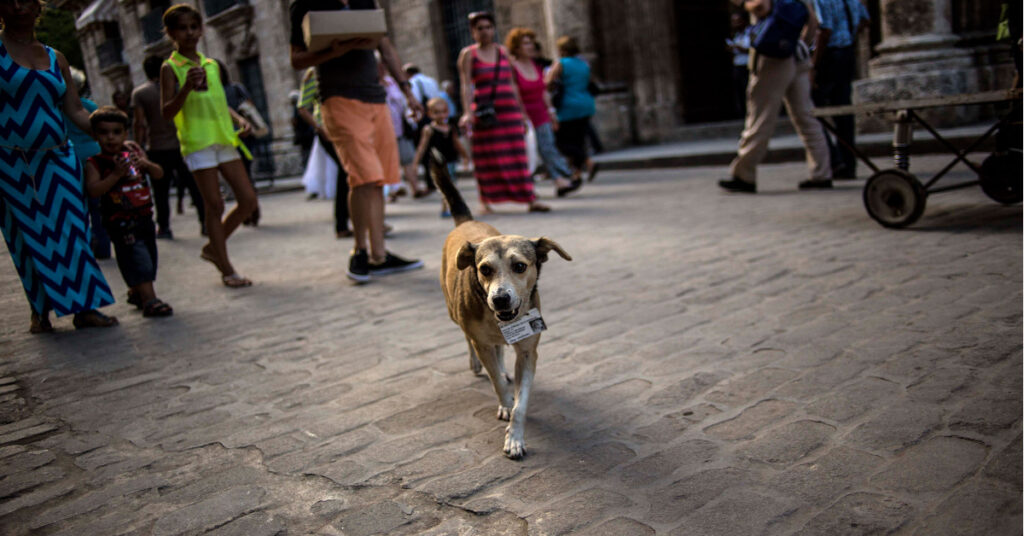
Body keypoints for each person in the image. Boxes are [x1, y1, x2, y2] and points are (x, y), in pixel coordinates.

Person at [1, 0, 119, 332]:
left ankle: (85, 307)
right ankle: (40, 311)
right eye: (12, 1)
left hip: (59, 158)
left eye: (28, 1)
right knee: (25, 234)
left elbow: (75, 110)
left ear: (39, 9)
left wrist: (109, 129)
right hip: (11, 162)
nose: (20, 7)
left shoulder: (57, 58)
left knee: (75, 230)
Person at [289, 0, 424, 283]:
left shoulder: (365, 1)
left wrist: (407, 91)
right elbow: (296, 59)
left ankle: (379, 255)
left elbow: (385, 47)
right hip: (338, 99)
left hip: (376, 100)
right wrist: (334, 51)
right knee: (362, 177)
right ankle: (359, 252)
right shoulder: (303, 5)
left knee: (379, 179)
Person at [160, 3, 257, 288]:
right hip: (198, 142)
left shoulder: (211, 65)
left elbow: (220, 102)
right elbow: (166, 111)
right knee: (213, 205)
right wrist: (186, 88)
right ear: (171, 33)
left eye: (194, 27)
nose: (190, 33)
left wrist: (239, 118)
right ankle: (226, 268)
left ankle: (214, 247)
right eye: (183, 28)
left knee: (248, 200)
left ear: (201, 29)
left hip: (225, 138)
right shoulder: (171, 68)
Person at [718, 0, 832, 193]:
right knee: (806, 116)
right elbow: (813, 21)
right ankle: (821, 173)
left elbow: (760, 6)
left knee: (760, 116)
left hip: (773, 55)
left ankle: (744, 174)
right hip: (796, 51)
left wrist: (744, 3)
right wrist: (801, 44)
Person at [84, 106, 173, 317]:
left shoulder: (133, 152)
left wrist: (145, 164)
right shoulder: (95, 163)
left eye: (116, 132)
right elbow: (93, 190)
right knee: (136, 257)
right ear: (95, 135)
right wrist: (115, 175)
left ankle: (136, 292)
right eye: (104, 133)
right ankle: (150, 299)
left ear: (125, 133)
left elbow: (159, 173)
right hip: (120, 221)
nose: (110, 138)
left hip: (144, 217)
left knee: (149, 256)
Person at [458, 11, 549, 214]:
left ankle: (530, 199)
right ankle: (486, 201)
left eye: (488, 27)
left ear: (494, 29)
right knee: (486, 159)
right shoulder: (468, 54)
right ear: (473, 31)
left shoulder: (503, 52)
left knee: (518, 156)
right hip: (485, 115)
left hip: (509, 112)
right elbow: (466, 86)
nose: (485, 32)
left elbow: (513, 84)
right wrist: (466, 113)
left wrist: (523, 114)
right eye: (480, 28)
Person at [134, 54, 205, 239]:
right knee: (194, 185)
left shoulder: (141, 93)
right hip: (182, 143)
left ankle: (164, 227)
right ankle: (205, 222)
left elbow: (140, 123)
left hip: (157, 146)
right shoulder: (179, 88)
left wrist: (138, 145)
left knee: (160, 191)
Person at [507, 27, 580, 197]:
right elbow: (515, 93)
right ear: (516, 47)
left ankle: (561, 180)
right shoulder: (512, 67)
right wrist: (522, 116)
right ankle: (527, 187)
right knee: (527, 153)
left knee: (548, 147)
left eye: (531, 42)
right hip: (524, 115)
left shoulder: (536, 65)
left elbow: (544, 91)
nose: (530, 46)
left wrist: (552, 113)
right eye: (525, 43)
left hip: (540, 113)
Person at [811, 0, 869, 179]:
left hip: (829, 56)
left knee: (813, 111)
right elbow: (865, 21)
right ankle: (848, 163)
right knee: (843, 111)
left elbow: (825, 30)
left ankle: (835, 161)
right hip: (846, 52)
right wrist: (848, 36)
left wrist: (813, 64)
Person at [297, 66, 352, 238]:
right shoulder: (313, 73)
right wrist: (319, 128)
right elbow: (302, 107)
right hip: (329, 131)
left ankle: (351, 220)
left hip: (350, 127)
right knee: (346, 173)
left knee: (352, 174)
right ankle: (342, 223)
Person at [64, 67, 111, 258]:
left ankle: (85, 247)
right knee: (98, 206)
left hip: (72, 159)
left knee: (78, 205)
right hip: (94, 159)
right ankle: (103, 247)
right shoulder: (88, 106)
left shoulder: (58, 111)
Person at [545, 36, 599, 183]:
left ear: (561, 49)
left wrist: (554, 87)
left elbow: (548, 82)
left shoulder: (561, 63)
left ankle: (587, 161)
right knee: (579, 139)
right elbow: (591, 81)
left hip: (569, 106)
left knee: (561, 142)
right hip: (586, 103)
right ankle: (577, 173)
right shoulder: (584, 63)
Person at [218, 60, 263, 227]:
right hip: (229, 138)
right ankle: (249, 211)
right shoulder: (216, 92)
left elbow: (248, 105)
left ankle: (251, 210)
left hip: (241, 137)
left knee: (243, 177)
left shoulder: (234, 88)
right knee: (242, 178)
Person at [412, 97, 470, 217]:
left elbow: (457, 144)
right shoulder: (429, 130)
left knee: (451, 185)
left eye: (443, 112)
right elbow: (422, 147)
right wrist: (416, 163)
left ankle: (446, 207)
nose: (441, 115)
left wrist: (465, 157)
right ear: (429, 114)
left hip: (450, 161)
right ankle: (448, 208)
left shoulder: (450, 128)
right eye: (436, 112)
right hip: (437, 163)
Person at [727, 12, 752, 118]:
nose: (735, 24)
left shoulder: (751, 33)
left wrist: (739, 48)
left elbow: (754, 49)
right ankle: (743, 113)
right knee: (740, 90)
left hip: (749, 65)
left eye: (738, 21)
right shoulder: (736, 35)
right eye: (733, 22)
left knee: (750, 90)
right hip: (738, 65)